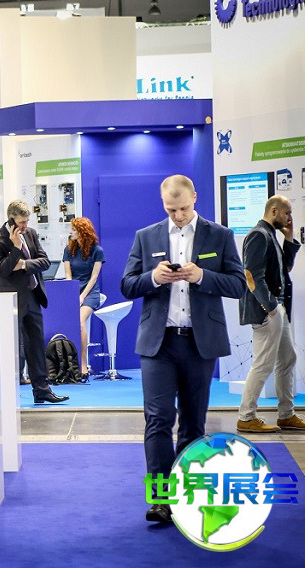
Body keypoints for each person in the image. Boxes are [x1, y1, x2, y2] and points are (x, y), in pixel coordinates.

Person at [120, 174, 245, 524]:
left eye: (183, 209)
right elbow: (127, 285)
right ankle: (160, 499)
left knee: (192, 423)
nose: (177, 216)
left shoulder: (219, 236)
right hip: (158, 344)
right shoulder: (146, 236)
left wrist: (201, 276)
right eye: (170, 210)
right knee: (158, 419)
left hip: (198, 343)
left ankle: (186, 496)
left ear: (195, 198)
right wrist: (153, 278)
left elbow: (238, 285)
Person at [237, 195, 305, 433]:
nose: (289, 218)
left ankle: (286, 415)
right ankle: (246, 417)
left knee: (287, 359)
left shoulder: (270, 235)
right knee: (263, 364)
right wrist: (271, 307)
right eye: (287, 213)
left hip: (276, 309)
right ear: (274, 211)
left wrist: (289, 238)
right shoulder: (259, 235)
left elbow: (284, 269)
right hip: (268, 311)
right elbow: (251, 275)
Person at [0, 200, 68, 405]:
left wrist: (24, 264)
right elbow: (2, 269)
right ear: (11, 220)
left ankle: (42, 390)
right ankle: (9, 394)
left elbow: (45, 261)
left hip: (33, 296)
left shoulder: (31, 234)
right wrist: (16, 249)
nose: (25, 226)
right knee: (12, 348)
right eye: (21, 222)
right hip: (11, 300)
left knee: (35, 345)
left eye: (27, 221)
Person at [63, 217, 105, 374]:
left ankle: (83, 364)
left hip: (90, 292)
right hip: (73, 290)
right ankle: (69, 364)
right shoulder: (68, 250)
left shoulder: (97, 251)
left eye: (74, 230)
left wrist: (82, 296)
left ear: (82, 232)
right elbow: (68, 275)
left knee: (79, 322)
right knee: (71, 324)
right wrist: (72, 294)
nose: (71, 232)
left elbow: (94, 278)